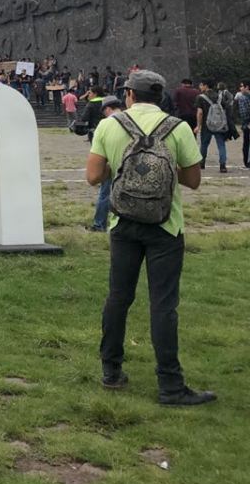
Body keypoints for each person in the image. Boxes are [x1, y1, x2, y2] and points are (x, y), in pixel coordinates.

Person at [87, 69, 213, 406]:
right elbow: (193, 180)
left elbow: (93, 176)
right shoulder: (178, 128)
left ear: (129, 94)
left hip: (123, 223)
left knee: (118, 297)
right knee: (163, 304)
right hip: (165, 225)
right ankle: (170, 385)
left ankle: (111, 371)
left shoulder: (109, 126)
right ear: (160, 98)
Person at [89, 96, 122, 231]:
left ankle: (99, 224)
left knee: (105, 195)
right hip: (129, 164)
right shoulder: (132, 120)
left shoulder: (106, 124)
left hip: (110, 164)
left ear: (108, 108)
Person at [194, 80, 230, 173]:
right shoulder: (219, 97)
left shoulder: (200, 97)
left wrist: (198, 125)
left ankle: (202, 163)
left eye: (201, 85)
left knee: (204, 145)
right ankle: (222, 166)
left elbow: (200, 113)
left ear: (205, 86)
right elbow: (225, 109)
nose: (200, 87)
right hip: (219, 124)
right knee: (221, 145)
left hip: (207, 125)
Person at [238, 80, 250, 170]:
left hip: (247, 124)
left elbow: (243, 113)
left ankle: (247, 163)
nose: (240, 88)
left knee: (246, 144)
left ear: (247, 87)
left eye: (242, 86)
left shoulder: (242, 98)